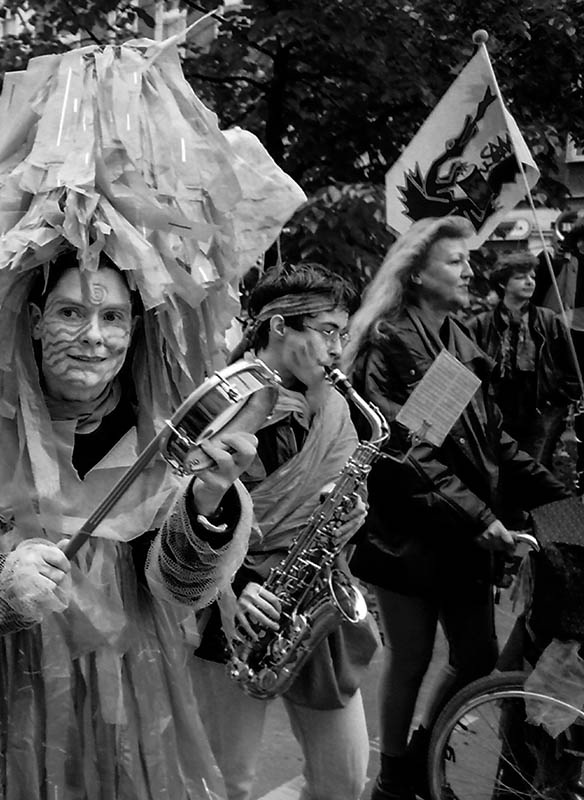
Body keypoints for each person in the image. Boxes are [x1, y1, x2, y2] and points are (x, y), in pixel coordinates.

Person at [0, 252, 259, 799]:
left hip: (126, 710)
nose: (93, 336)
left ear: (134, 329)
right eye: (70, 312)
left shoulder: (162, 440)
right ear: (36, 321)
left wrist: (207, 499)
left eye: (112, 317)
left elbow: (179, 591)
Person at [342, 215, 571, 800]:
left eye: (468, 260)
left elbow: (491, 442)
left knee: (477, 657)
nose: (470, 270)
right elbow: (407, 452)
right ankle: (395, 777)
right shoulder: (394, 341)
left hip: (458, 530)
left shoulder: (453, 339)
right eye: (455, 261)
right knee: (412, 656)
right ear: (417, 273)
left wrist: (567, 505)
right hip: (408, 533)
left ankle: (427, 748)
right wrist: (482, 517)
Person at [190, 264, 376, 800]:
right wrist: (228, 589)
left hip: (313, 597)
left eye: (343, 334)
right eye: (327, 331)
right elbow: (174, 515)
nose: (337, 349)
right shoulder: (219, 401)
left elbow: (342, 488)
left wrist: (353, 517)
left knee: (344, 779)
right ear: (278, 326)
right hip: (231, 609)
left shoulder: (335, 405)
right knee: (227, 784)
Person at [470, 252, 581, 470]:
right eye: (521, 277)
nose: (530, 282)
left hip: (539, 409)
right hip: (497, 409)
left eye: (532, 277)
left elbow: (571, 368)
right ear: (503, 283)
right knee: (499, 469)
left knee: (535, 469)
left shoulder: (548, 320)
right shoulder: (481, 325)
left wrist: (556, 402)